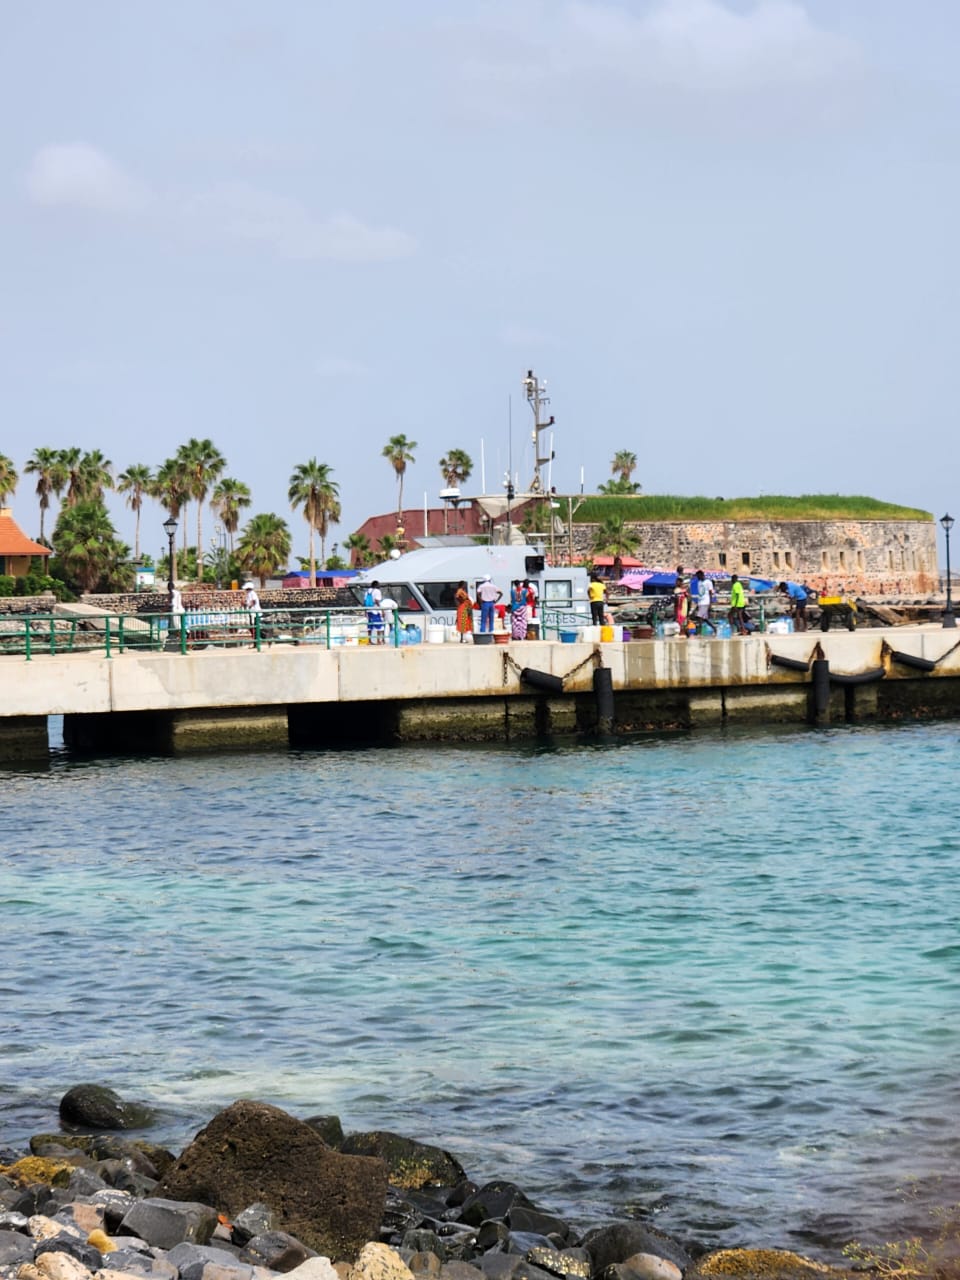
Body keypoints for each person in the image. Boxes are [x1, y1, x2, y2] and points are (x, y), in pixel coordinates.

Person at [694, 569, 717, 636]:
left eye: (698, 576)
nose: (697, 578)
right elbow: (700, 593)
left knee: (699, 617)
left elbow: (710, 592)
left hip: (706, 601)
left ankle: (699, 632)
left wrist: (710, 603)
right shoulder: (699, 582)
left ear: (701, 575)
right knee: (704, 618)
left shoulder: (708, 582)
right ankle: (714, 628)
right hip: (701, 602)